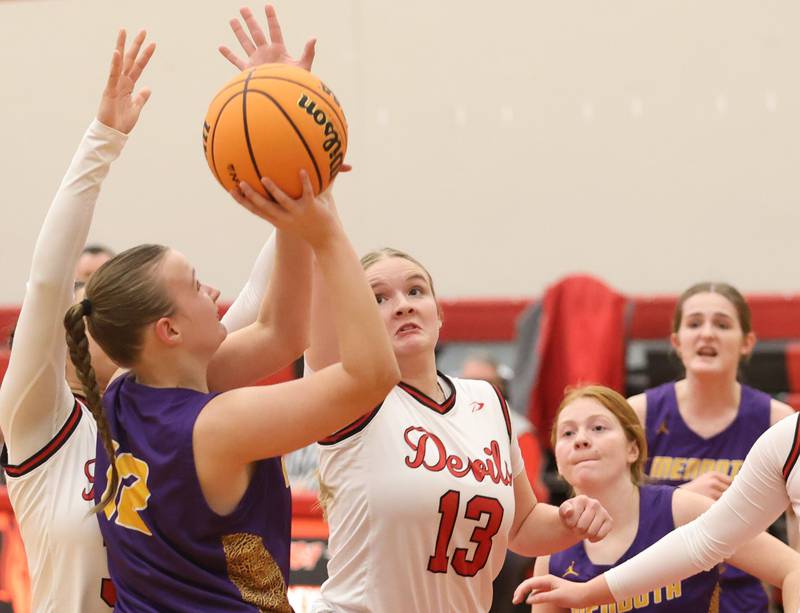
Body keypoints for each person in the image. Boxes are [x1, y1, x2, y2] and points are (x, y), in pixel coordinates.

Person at [0, 10, 309, 610]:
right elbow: (43, 283)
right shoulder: (38, 423)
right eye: (83, 296)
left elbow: (263, 309)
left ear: (152, 328)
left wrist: (294, 141)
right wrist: (102, 139)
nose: (88, 309)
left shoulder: (162, 400)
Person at [287, 246, 610, 613]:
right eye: (378, 298)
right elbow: (318, 284)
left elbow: (521, 525)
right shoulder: (353, 396)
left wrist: (572, 520)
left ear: (438, 313)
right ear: (353, 321)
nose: (403, 305)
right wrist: (315, 220)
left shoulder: (487, 401)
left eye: (415, 291)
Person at [520, 385, 800, 612]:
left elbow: (792, 568)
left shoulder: (684, 508)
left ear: (633, 448)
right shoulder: (550, 551)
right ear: (556, 461)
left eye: (598, 428)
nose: (581, 440)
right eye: (567, 433)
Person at [627, 282, 796, 612]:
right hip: (655, 591)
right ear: (676, 341)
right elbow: (607, 514)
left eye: (721, 324)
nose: (707, 334)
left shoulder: (778, 420)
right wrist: (681, 501)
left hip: (742, 594)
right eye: (694, 324)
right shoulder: (638, 413)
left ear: (747, 342)